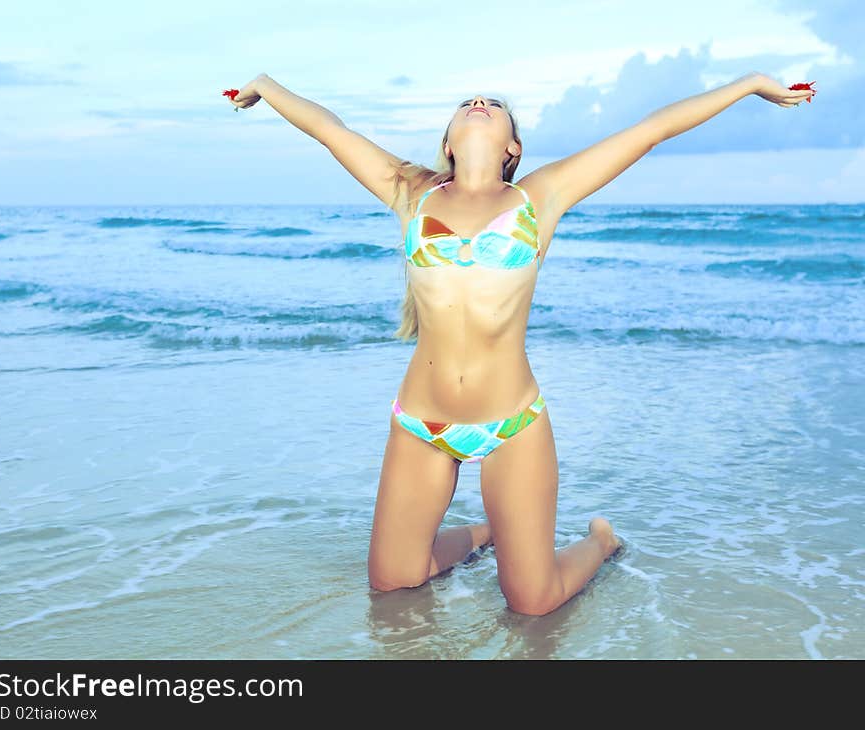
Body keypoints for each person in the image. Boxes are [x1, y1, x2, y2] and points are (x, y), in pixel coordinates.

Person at [226, 71, 815, 616]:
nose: (479, 104)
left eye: (494, 105)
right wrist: (265, 87)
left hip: (512, 423)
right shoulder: (412, 191)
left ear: (514, 148)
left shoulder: (540, 197)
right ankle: (485, 535)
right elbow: (330, 129)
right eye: (467, 105)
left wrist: (751, 86)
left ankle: (600, 542)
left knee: (533, 602)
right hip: (421, 424)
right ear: (449, 141)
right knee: (392, 584)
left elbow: (650, 130)